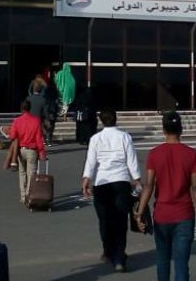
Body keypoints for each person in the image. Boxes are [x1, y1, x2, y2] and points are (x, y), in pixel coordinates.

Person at [135, 111, 196, 281]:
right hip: (184, 216)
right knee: (182, 263)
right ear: (181, 129)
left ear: (163, 130)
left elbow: (149, 186)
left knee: (162, 261)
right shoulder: (192, 154)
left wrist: (139, 213)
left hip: (162, 216)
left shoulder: (154, 154)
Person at [81, 109, 141, 273]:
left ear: (101, 121)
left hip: (102, 182)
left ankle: (108, 251)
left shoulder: (96, 138)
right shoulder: (124, 137)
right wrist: (136, 179)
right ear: (116, 119)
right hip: (121, 181)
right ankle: (120, 257)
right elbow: (131, 159)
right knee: (121, 220)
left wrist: (86, 178)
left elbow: (91, 161)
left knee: (105, 219)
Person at [3, 99, 47, 205]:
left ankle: (23, 196)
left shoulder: (17, 121)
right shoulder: (36, 121)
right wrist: (42, 153)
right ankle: (29, 195)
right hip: (32, 150)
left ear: (21, 109)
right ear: (30, 108)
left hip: (20, 150)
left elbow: (13, 136)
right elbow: (39, 139)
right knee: (31, 174)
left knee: (22, 173)